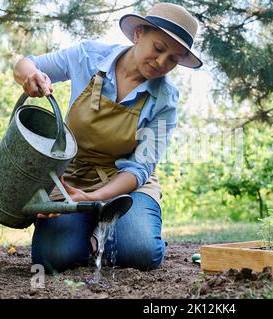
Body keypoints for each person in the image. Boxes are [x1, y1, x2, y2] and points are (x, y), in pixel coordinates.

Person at [13, 2, 203, 273]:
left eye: (173, 59)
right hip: (72, 179)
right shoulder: (88, 57)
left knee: (141, 252)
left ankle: (113, 228)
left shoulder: (165, 99)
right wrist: (31, 76)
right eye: (159, 48)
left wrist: (96, 198)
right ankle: (90, 233)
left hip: (127, 187)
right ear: (139, 34)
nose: (162, 62)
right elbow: (26, 63)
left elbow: (140, 167)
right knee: (53, 257)